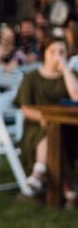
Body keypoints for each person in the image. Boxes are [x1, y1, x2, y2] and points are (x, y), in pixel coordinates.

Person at [16, 34, 78, 206]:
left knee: (58, 134)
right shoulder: (31, 78)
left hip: (68, 127)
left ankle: (39, 174)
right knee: (52, 134)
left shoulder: (70, 75)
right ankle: (68, 191)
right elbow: (26, 109)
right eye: (53, 52)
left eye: (61, 52)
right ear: (45, 53)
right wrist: (44, 118)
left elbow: (76, 96)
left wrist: (65, 70)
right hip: (36, 127)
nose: (57, 56)